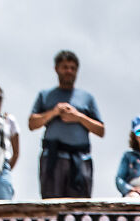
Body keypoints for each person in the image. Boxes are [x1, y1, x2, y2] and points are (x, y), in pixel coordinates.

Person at [29, 51, 103, 199]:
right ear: (56, 69)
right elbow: (32, 123)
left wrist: (78, 117)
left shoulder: (87, 98)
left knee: (80, 208)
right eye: (65, 67)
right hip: (53, 158)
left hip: (80, 160)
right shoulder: (45, 95)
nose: (69, 71)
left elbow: (101, 130)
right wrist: (54, 112)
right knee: (51, 205)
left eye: (72, 68)